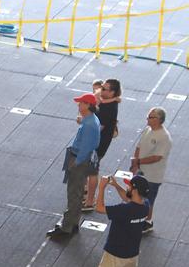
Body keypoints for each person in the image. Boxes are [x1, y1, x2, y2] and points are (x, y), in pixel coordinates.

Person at [87, 174, 151, 267]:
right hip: (132, 255)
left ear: (134, 190)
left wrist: (102, 187)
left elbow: (99, 208)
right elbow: (129, 198)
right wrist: (115, 185)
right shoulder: (145, 206)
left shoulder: (124, 209)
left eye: (129, 185)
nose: (127, 187)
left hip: (115, 253)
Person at [48, 93, 102, 239]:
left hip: (79, 160)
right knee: (77, 193)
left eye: (81, 103)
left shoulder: (89, 124)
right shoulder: (91, 120)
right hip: (81, 159)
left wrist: (76, 163)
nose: (78, 105)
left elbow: (86, 147)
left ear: (88, 105)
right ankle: (73, 223)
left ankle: (66, 227)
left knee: (74, 194)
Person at [130, 107, 172, 234]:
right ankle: (138, 218)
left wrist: (138, 162)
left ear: (158, 120)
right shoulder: (147, 130)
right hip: (141, 170)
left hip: (153, 175)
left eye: (150, 117)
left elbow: (157, 157)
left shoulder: (164, 137)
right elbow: (138, 147)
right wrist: (135, 163)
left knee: (149, 199)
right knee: (137, 195)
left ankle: (147, 222)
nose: (147, 119)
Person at [84, 79, 122, 211]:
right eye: (102, 87)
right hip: (95, 143)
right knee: (88, 170)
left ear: (112, 92)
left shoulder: (109, 108)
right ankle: (87, 194)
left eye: (104, 89)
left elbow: (98, 128)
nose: (101, 90)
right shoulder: (107, 102)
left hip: (97, 145)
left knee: (92, 171)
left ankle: (90, 201)